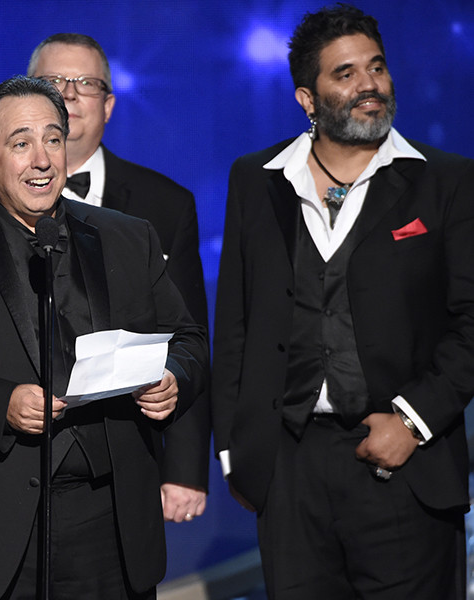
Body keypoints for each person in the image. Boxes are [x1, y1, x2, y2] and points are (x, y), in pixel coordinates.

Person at [0, 76, 207, 599]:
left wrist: (174, 379)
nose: (42, 160)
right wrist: (0, 402)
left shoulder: (128, 236)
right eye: (21, 143)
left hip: (106, 525)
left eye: (53, 139)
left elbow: (187, 338)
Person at [211, 5, 474, 598]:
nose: (369, 86)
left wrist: (412, 420)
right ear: (308, 98)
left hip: (401, 463)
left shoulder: (446, 181)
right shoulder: (256, 178)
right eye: (346, 74)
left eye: (376, 68)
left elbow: (472, 324)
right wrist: (236, 451)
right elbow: (236, 322)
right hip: (289, 466)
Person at [0, 32, 210, 524]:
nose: (68, 92)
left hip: (117, 460)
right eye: (53, 81)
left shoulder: (164, 204)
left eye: (85, 82)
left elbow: (187, 332)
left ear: (107, 105)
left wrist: (185, 466)